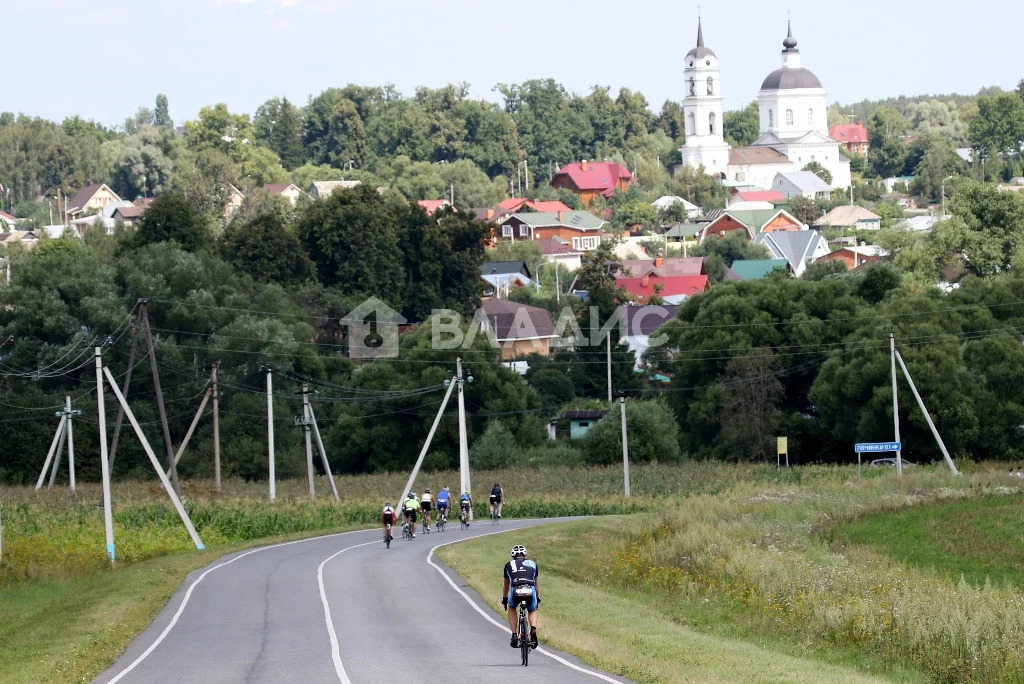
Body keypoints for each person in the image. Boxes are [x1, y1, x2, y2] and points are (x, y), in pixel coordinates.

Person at [501, 544, 539, 649]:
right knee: (533, 609)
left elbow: (506, 585)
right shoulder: (533, 564)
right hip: (530, 589)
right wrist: (538, 598)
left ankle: (514, 635)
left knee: (512, 608)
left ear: (513, 556)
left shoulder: (508, 565)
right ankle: (533, 629)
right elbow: (536, 584)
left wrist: (504, 599)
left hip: (516, 590)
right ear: (525, 555)